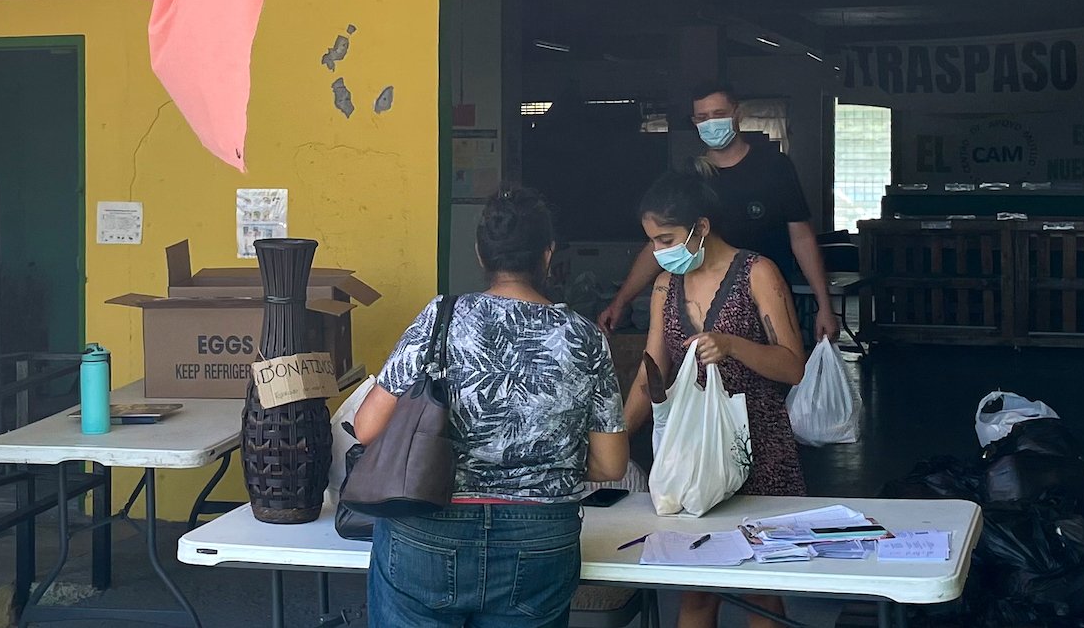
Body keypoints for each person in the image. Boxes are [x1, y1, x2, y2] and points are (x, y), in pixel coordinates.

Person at [353, 187, 629, 627]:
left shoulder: (440, 319)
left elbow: (367, 429)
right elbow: (612, 464)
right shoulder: (584, 337)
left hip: (429, 528)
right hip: (540, 539)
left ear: (482, 254)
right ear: (548, 254)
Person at [622, 170, 807, 628]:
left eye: (665, 238)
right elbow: (652, 371)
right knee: (697, 591)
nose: (659, 251)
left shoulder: (757, 272)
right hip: (691, 456)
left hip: (760, 450)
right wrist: (618, 437)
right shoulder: (666, 286)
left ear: (700, 227)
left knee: (762, 591)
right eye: (651, 242)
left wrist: (733, 345)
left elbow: (793, 366)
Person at [598, 82, 840, 344]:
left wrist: (824, 305)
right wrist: (621, 301)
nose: (711, 123)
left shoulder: (774, 166)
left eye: (719, 114)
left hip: (768, 297)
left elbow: (802, 238)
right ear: (694, 122)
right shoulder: (692, 177)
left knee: (777, 368)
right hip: (707, 302)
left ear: (737, 114)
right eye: (702, 117)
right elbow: (662, 241)